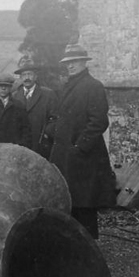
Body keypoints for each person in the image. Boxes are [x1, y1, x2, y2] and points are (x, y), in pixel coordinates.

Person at [45, 44, 117, 239]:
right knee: (70, 202)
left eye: (75, 62)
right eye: (68, 63)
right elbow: (61, 116)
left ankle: (87, 251)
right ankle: (73, 247)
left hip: (83, 158)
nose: (70, 66)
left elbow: (99, 121)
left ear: (84, 63)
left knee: (84, 205)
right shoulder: (69, 85)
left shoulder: (93, 86)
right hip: (66, 155)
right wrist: (52, 131)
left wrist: (80, 147)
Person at [12, 63, 59, 158]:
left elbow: (55, 118)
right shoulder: (15, 96)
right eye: (24, 75)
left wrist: (46, 134)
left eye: (30, 74)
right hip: (20, 144)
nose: (27, 78)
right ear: (20, 78)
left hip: (40, 143)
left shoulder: (48, 94)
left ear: (36, 76)